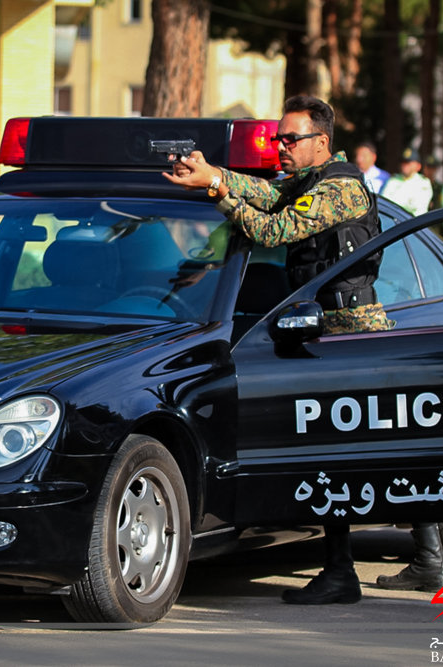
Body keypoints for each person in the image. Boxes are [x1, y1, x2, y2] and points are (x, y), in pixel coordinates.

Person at [163, 95, 390, 605]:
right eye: (278, 138)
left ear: (322, 142)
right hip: (320, 327)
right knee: (354, 451)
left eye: (291, 139)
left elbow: (274, 226)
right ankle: (423, 561)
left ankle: (342, 572)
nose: (279, 146)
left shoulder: (342, 190)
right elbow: (266, 194)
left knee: (344, 452)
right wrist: (212, 171)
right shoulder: (307, 182)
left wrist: (217, 187)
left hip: (349, 330)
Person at [380, 148, 434, 215]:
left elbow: (416, 206)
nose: (405, 166)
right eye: (403, 162)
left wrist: (395, 203)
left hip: (415, 222)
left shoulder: (423, 183)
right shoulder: (393, 180)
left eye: (408, 163)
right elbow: (383, 203)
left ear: (418, 166)